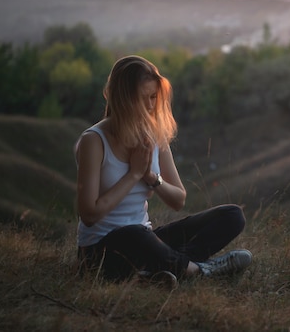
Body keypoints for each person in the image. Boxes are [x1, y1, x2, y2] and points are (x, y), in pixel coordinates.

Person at [75, 55, 251, 283]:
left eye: (153, 97)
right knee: (135, 235)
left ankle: (157, 271)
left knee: (232, 216)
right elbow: (89, 215)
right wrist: (134, 175)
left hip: (145, 240)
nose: (150, 106)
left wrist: (150, 177)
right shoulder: (94, 141)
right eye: (142, 99)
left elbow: (178, 200)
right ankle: (199, 271)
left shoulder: (153, 136)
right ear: (123, 99)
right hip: (100, 252)